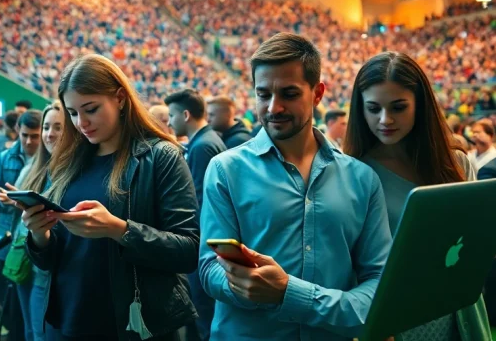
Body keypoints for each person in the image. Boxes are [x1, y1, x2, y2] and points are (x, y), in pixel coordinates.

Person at [199, 33, 392, 340]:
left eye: (289, 94)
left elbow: (379, 281)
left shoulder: (362, 179)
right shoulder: (225, 170)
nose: (274, 108)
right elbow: (209, 268)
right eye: (263, 95)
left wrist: (289, 294)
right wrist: (245, 286)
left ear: (317, 93)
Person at [22, 54, 199, 340]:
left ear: (119, 98)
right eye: (73, 113)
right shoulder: (68, 162)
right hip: (67, 320)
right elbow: (53, 258)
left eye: (90, 109)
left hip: (133, 324)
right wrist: (39, 235)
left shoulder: (161, 157)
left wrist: (119, 230)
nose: (81, 123)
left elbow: (189, 250)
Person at [344, 52, 489, 340]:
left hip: (461, 310)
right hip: (396, 319)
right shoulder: (353, 174)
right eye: (373, 108)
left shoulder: (456, 163)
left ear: (420, 105)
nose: (385, 120)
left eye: (398, 107)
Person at [0, 104, 65, 341]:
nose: (48, 134)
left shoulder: (72, 169)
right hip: (25, 254)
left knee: (42, 333)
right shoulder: (32, 166)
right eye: (46, 127)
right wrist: (17, 202)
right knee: (30, 330)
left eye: (57, 127)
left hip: (50, 266)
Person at [165, 89, 225, 341]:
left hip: (203, 244)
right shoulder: (206, 141)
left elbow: (198, 202)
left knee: (203, 316)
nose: (169, 122)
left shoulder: (202, 147)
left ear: (186, 115)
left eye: (171, 115)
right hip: (208, 241)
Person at [0, 110, 43, 319]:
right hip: (9, 232)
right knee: (11, 294)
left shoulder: (50, 160)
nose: (29, 141)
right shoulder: (5, 157)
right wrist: (5, 202)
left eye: (34, 136)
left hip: (33, 233)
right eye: (25, 135)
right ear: (17, 131)